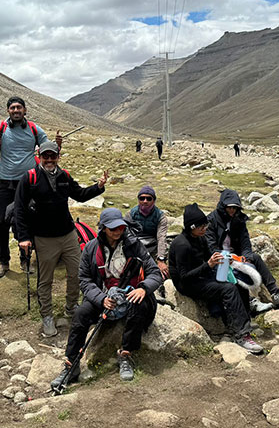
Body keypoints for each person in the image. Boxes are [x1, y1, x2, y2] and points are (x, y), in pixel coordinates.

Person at [50, 208, 162, 388]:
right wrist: (101, 299)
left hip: (131, 292)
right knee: (80, 314)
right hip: (103, 296)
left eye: (121, 227)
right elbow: (84, 280)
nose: (118, 231)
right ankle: (71, 364)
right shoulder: (90, 248)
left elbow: (155, 272)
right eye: (113, 228)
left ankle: (126, 354)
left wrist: (142, 289)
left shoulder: (134, 245)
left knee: (139, 305)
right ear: (103, 228)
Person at [14, 141, 107, 337]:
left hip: (68, 234)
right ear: (39, 156)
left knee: (77, 272)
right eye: (45, 156)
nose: (49, 159)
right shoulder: (29, 178)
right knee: (45, 279)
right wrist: (23, 237)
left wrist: (98, 187)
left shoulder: (64, 176)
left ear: (58, 156)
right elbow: (19, 209)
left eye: (52, 156)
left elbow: (80, 195)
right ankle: (47, 315)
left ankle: (72, 306)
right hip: (43, 237)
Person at [0, 96, 59, 279]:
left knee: (27, 221)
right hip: (5, 183)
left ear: (25, 110)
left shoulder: (34, 129)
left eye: (19, 108)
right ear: (8, 111)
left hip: (30, 184)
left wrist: (57, 145)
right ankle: (3, 261)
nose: (16, 111)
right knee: (1, 223)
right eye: (12, 108)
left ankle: (25, 259)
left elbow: (47, 149)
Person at [168, 203, 263, 354]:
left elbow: (208, 257)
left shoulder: (200, 238)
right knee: (228, 289)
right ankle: (241, 335)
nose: (205, 229)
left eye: (205, 225)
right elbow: (184, 277)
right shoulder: (182, 245)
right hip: (187, 284)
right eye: (202, 226)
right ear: (192, 227)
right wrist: (209, 265)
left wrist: (224, 259)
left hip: (201, 275)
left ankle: (244, 323)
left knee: (236, 282)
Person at [207, 189, 279, 314]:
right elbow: (210, 246)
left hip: (236, 256)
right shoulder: (211, 221)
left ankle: (275, 293)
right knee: (230, 271)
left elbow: (245, 242)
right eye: (229, 207)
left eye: (235, 207)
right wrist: (227, 257)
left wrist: (246, 256)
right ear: (223, 206)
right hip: (220, 259)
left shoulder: (238, 220)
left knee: (256, 257)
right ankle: (251, 302)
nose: (232, 210)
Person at [128, 185, 169, 279]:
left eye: (148, 198)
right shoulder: (131, 214)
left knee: (161, 273)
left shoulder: (160, 217)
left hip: (153, 246)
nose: (145, 201)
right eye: (142, 198)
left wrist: (161, 259)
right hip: (135, 245)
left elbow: (161, 237)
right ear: (138, 200)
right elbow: (127, 234)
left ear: (153, 200)